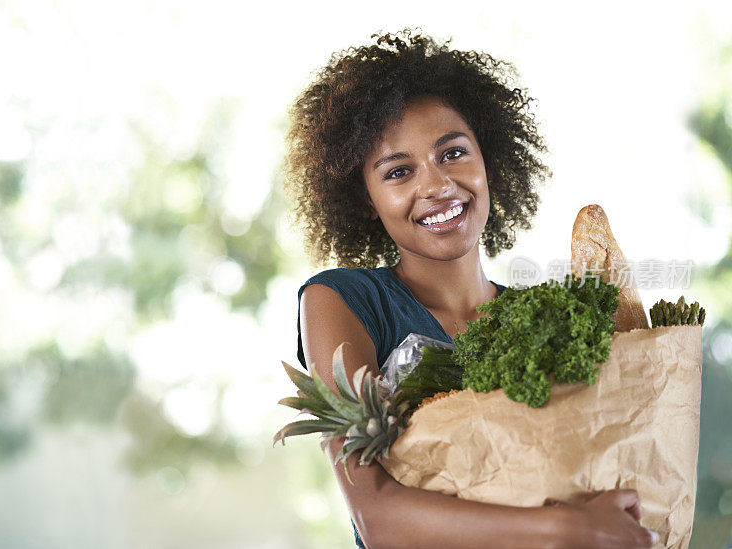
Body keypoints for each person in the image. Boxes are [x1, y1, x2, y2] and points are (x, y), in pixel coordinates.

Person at [282, 28, 659, 549]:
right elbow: (378, 519)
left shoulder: (542, 315)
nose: (436, 185)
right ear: (366, 199)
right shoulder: (341, 301)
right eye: (398, 171)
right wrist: (572, 527)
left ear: (488, 156)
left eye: (453, 153)